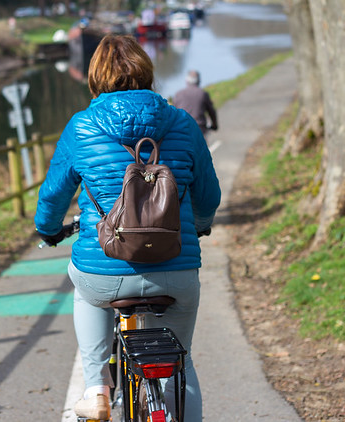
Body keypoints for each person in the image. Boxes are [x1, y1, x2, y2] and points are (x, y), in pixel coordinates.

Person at [34, 34, 220, 421]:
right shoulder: (182, 123)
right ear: (147, 73)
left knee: (83, 289)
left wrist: (48, 229)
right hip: (176, 270)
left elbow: (53, 196)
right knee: (179, 369)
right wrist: (199, 226)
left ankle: (97, 387)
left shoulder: (81, 126)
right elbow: (208, 196)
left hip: (104, 271)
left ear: (95, 77)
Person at [173, 70, 218, 137]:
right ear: (199, 81)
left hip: (182, 130)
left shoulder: (178, 94)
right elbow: (211, 112)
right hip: (200, 129)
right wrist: (214, 125)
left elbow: (174, 114)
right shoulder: (203, 93)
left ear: (187, 81)